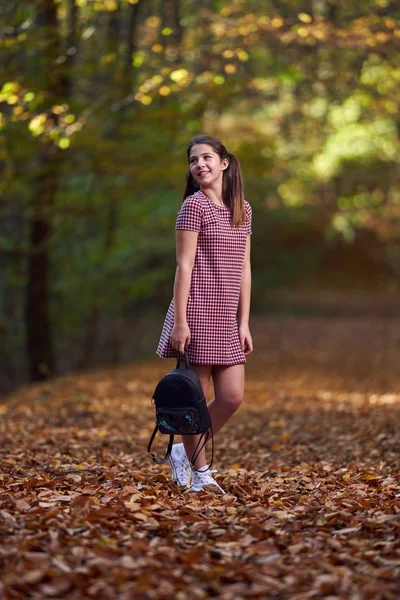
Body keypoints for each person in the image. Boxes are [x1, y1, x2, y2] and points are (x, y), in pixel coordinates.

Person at [156, 135, 253, 494]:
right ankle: (201, 475)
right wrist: (180, 321)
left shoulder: (243, 209)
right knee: (192, 398)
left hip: (227, 317)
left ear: (224, 162)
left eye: (207, 157)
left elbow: (244, 267)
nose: (200, 165)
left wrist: (244, 321)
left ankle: (181, 452)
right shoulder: (193, 207)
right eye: (194, 160)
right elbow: (183, 267)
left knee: (232, 396)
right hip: (196, 311)